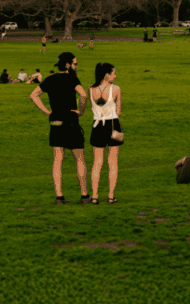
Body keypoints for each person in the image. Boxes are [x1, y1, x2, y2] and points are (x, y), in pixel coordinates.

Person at [29, 52, 89, 203]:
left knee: (57, 160)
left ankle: (59, 197)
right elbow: (83, 95)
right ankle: (84, 195)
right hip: (70, 120)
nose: (76, 66)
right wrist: (81, 111)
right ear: (68, 65)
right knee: (79, 159)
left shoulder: (50, 79)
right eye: (75, 64)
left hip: (55, 121)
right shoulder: (72, 78)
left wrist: (48, 112)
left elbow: (33, 95)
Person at [89, 61, 123, 205]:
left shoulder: (91, 88)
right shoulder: (116, 89)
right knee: (113, 162)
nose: (115, 76)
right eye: (113, 73)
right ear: (107, 75)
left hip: (97, 126)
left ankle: (95, 196)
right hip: (113, 125)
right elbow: (118, 111)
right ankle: (110, 196)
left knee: (97, 163)